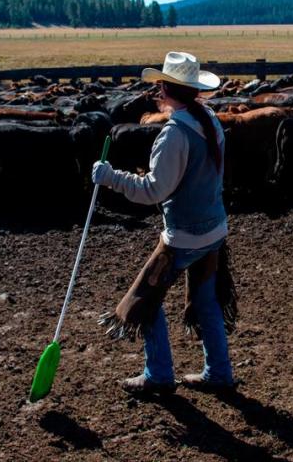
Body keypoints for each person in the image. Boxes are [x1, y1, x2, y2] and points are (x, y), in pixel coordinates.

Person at [93, 51, 237, 394]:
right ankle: (219, 372)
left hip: (184, 235)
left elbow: (154, 190)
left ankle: (158, 374)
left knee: (146, 300)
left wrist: (111, 177)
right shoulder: (210, 120)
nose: (157, 91)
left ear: (167, 89)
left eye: (160, 85)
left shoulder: (174, 134)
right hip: (214, 228)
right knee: (207, 301)